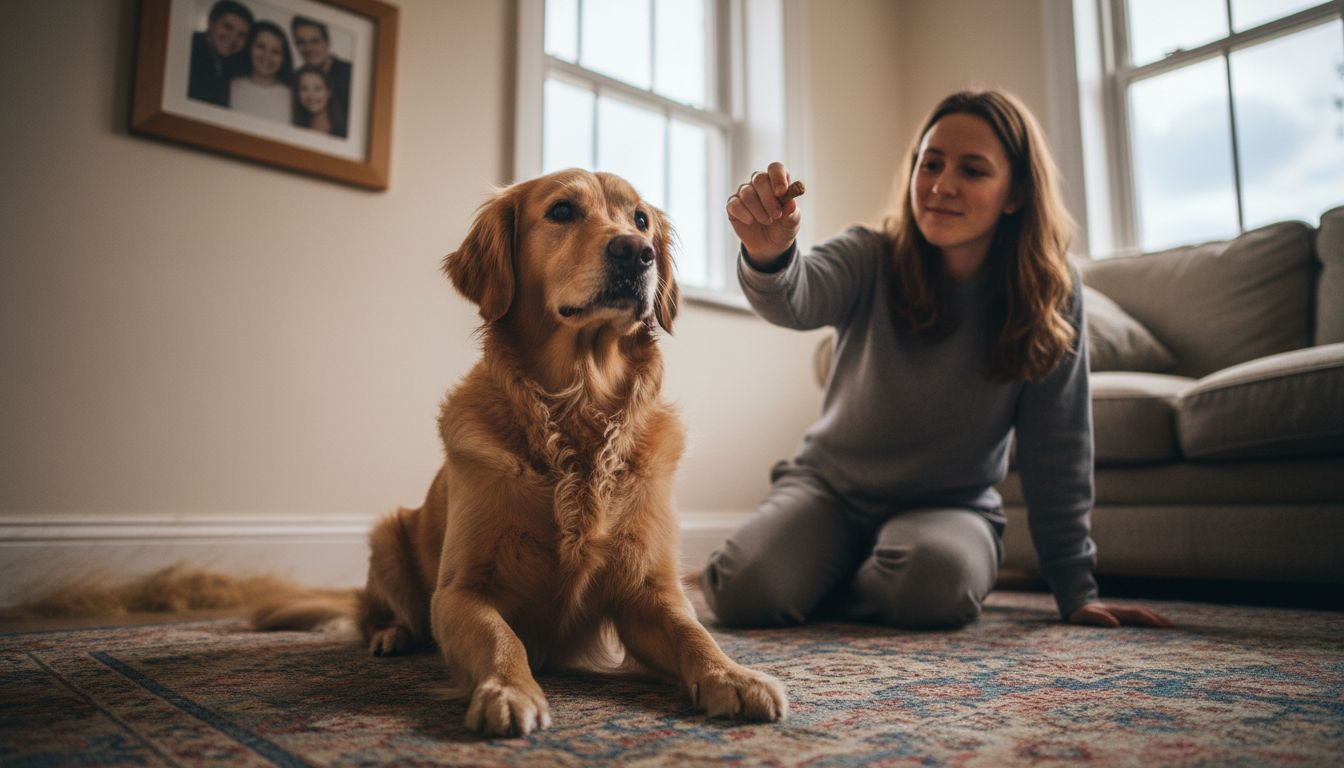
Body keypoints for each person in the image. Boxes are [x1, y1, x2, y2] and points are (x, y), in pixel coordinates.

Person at [703, 90, 1173, 632]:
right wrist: (769, 254)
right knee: (743, 592)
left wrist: (1076, 590)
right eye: (931, 163)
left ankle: (840, 578)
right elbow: (796, 296)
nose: (941, 186)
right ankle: (835, 568)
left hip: (952, 507)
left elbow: (1059, 448)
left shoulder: (1050, 294)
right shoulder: (870, 253)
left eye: (973, 171)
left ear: (1015, 193)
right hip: (827, 489)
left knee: (933, 588)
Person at [188, 0, 253, 107]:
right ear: (211, 22)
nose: (233, 38)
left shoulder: (235, 63)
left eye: (241, 35)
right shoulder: (188, 47)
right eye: (228, 27)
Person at [229, 21, 295, 124]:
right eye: (261, 47)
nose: (266, 56)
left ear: (283, 59)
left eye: (275, 52)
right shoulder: (231, 87)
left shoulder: (293, 97)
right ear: (249, 48)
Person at [291, 16, 352, 123]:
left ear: (328, 43)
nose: (308, 48)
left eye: (315, 41)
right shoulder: (294, 79)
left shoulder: (351, 74)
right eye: (301, 42)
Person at [292, 65, 348, 138]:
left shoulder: (344, 130)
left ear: (328, 92)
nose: (311, 95)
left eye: (317, 88)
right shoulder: (294, 127)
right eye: (304, 89)